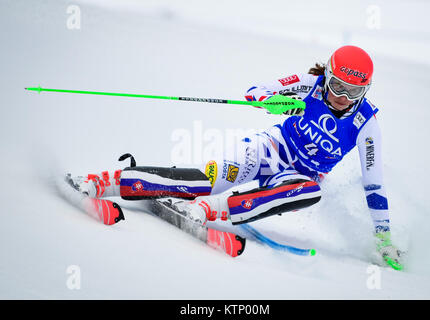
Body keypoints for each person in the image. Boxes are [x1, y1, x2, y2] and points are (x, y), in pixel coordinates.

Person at [72, 45, 403, 270]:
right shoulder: (309, 86)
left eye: (354, 92)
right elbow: (254, 92)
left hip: (293, 180)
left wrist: (383, 237)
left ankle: (208, 211)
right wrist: (275, 102)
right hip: (269, 150)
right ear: (328, 75)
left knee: (311, 192)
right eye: (338, 86)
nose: (343, 98)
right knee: (204, 181)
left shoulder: (366, 125)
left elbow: (374, 185)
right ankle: (105, 182)